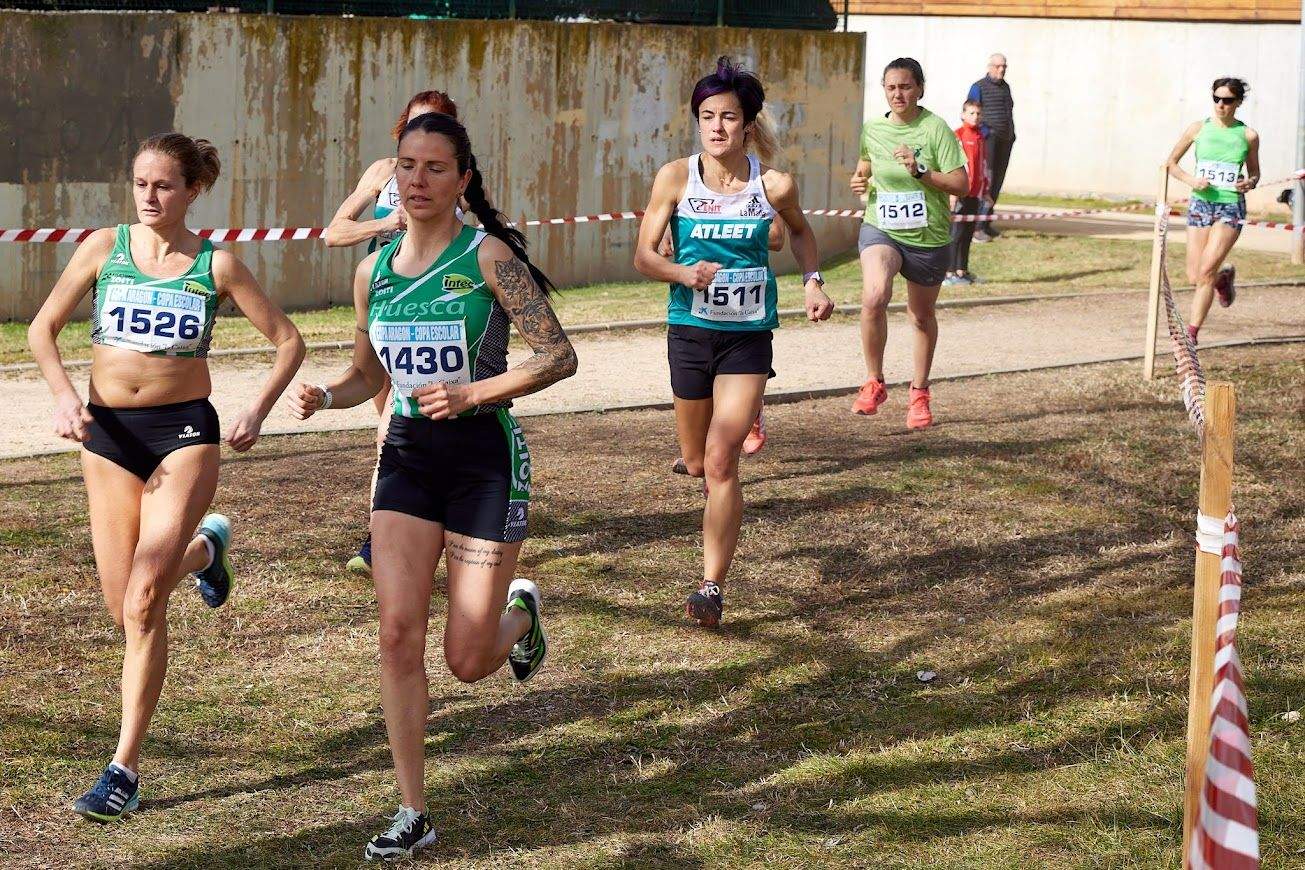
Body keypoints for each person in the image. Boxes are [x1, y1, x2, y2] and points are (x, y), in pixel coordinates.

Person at [286, 111, 577, 861]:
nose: (416, 181)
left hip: (484, 460)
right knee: (395, 633)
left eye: (434, 169)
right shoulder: (371, 272)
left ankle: (521, 618)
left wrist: (475, 393)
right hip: (408, 459)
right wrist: (327, 392)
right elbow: (367, 376)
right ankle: (412, 810)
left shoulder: (488, 261)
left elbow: (557, 356)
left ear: (462, 181)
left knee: (467, 660)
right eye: (406, 167)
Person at [26, 133, 305, 822]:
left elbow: (289, 340)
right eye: (141, 184)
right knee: (122, 606)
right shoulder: (103, 248)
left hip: (183, 433)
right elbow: (42, 328)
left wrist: (256, 410)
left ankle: (123, 769)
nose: (149, 197)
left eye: (164, 186)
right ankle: (207, 550)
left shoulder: (217, 265)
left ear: (191, 191)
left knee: (146, 600)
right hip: (107, 435)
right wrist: (65, 396)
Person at [634, 57, 834, 628]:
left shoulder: (774, 184)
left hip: (748, 336)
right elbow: (644, 255)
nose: (716, 127)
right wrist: (680, 274)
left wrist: (812, 281)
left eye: (728, 117)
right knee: (697, 461)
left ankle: (711, 588)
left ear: (748, 125)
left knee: (723, 461)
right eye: (706, 116)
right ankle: (704, 448)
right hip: (691, 332)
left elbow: (799, 231)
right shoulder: (676, 177)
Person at [325, 90, 463, 575]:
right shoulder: (384, 171)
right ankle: (392, 528)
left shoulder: (454, 177)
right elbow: (334, 231)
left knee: (402, 428)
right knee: (391, 427)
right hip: (383, 298)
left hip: (436, 308)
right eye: (417, 127)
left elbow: (490, 230)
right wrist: (386, 222)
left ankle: (391, 535)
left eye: (439, 128)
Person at [849, 58, 968, 429]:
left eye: (905, 87)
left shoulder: (936, 130)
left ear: (919, 89)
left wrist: (920, 171)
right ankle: (874, 381)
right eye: (891, 87)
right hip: (881, 228)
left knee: (920, 316)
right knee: (874, 296)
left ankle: (919, 392)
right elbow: (865, 167)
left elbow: (960, 184)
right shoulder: (872, 129)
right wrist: (858, 181)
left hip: (928, 236)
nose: (898, 94)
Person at [1164, 77, 1260, 345]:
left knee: (1205, 271)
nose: (1220, 105)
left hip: (1230, 205)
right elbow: (1171, 164)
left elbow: (1254, 173)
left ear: (1238, 103)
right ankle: (1223, 279)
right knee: (1195, 275)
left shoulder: (1248, 135)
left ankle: (1191, 334)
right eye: (1216, 99)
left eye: (1227, 100)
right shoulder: (1197, 129)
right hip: (1200, 203)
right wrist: (1191, 180)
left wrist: (1249, 183)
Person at [968, 53, 1014, 241]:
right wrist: (984, 134)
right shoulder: (978, 87)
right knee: (987, 179)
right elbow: (971, 110)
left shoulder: (1006, 88)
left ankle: (986, 222)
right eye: (997, 66)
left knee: (997, 181)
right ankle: (977, 226)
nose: (1001, 69)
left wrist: (1012, 134)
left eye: (1004, 66)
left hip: (1005, 139)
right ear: (989, 66)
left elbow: (1009, 111)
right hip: (988, 139)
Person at [945, 99, 990, 285]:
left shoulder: (980, 137)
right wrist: (953, 192)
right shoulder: (958, 135)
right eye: (971, 113)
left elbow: (984, 167)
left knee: (967, 233)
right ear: (963, 114)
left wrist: (985, 190)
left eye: (978, 113)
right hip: (961, 193)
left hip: (975, 194)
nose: (975, 117)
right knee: (955, 234)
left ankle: (962, 270)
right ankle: (949, 273)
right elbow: (952, 165)